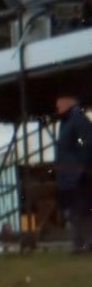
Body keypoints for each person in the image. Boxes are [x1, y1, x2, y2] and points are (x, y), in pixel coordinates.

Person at [54, 94, 92, 252]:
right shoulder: (66, 122)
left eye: (60, 101)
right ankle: (79, 244)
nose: (57, 105)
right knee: (74, 212)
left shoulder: (77, 120)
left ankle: (85, 243)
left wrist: (82, 166)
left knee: (82, 211)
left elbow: (87, 143)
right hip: (69, 176)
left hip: (77, 176)